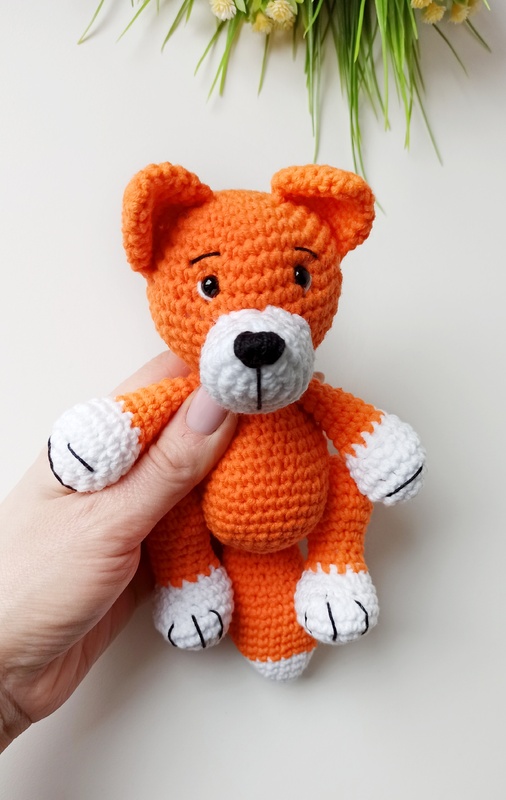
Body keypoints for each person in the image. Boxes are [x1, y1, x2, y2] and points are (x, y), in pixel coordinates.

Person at [0, 352, 237, 752]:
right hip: (190, 532)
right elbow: (144, 418)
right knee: (178, 533)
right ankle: (187, 583)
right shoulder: (185, 392)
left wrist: (7, 694)